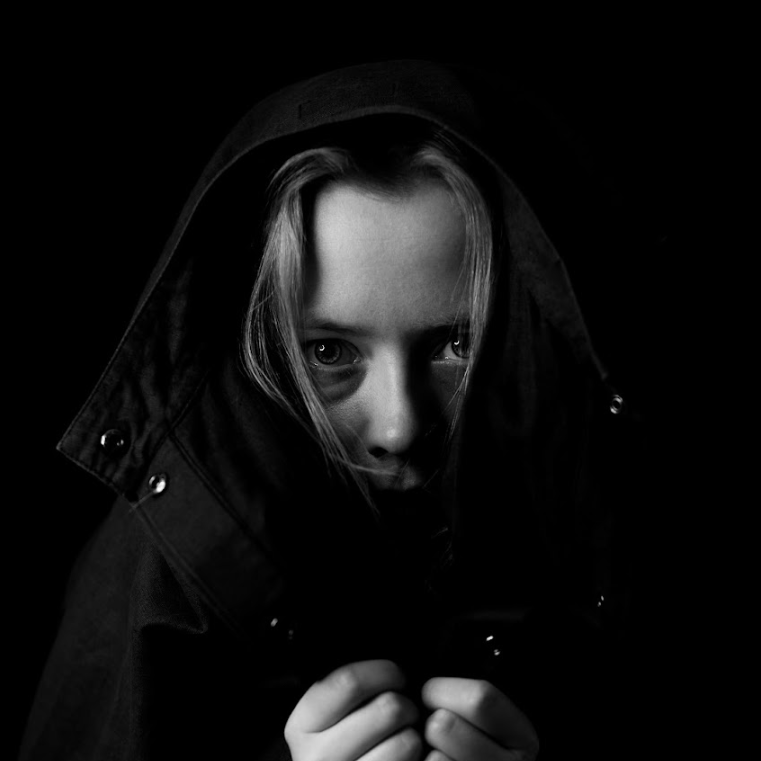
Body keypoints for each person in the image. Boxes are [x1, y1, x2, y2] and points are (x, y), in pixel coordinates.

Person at [19, 59, 651, 760]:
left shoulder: (615, 518)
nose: (398, 425)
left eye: (455, 344)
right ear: (260, 341)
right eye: (329, 352)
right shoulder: (163, 573)